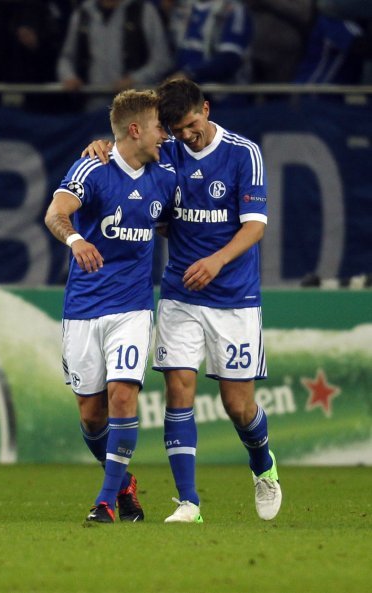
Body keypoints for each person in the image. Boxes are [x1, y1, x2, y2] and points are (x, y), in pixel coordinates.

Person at [83, 78, 282, 523]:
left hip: (234, 296)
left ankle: (262, 463)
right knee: (178, 389)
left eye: (191, 124)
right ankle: (189, 502)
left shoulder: (243, 153)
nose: (185, 135)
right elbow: (129, 159)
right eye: (176, 128)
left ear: (206, 109)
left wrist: (216, 260)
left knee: (238, 406)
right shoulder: (167, 151)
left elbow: (254, 226)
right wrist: (102, 147)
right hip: (180, 294)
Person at [45, 89, 173, 523]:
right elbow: (55, 214)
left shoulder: (166, 167)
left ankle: (104, 501)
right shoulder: (92, 166)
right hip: (83, 308)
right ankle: (124, 484)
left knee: (122, 396)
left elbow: (202, 145)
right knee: (90, 414)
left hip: (132, 309)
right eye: (158, 126)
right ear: (135, 130)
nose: (165, 134)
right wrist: (77, 239)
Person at [56, 0, 173, 112]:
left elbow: (162, 60)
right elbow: (67, 58)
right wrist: (68, 76)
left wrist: (135, 79)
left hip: (135, 108)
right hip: (90, 109)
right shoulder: (83, 13)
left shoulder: (144, 11)